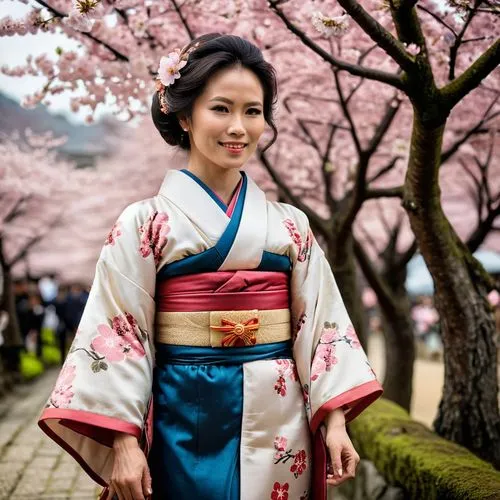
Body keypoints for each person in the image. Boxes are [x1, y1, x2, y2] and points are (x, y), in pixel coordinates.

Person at [39, 34, 382, 500]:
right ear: (184, 115)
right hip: (182, 409)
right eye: (220, 108)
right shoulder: (145, 223)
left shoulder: (291, 226)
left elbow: (321, 327)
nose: (238, 127)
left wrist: (335, 419)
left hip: (279, 413)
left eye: (253, 111)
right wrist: (124, 442)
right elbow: (119, 331)